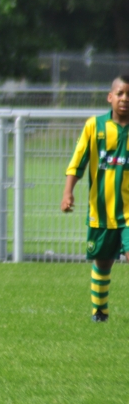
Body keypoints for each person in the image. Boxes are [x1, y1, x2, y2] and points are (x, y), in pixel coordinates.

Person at [61, 73, 129, 323]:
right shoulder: (94, 126)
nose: (125, 99)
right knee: (103, 263)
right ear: (110, 97)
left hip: (128, 214)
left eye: (128, 95)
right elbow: (78, 161)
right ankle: (99, 312)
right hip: (100, 212)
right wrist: (68, 192)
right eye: (120, 94)